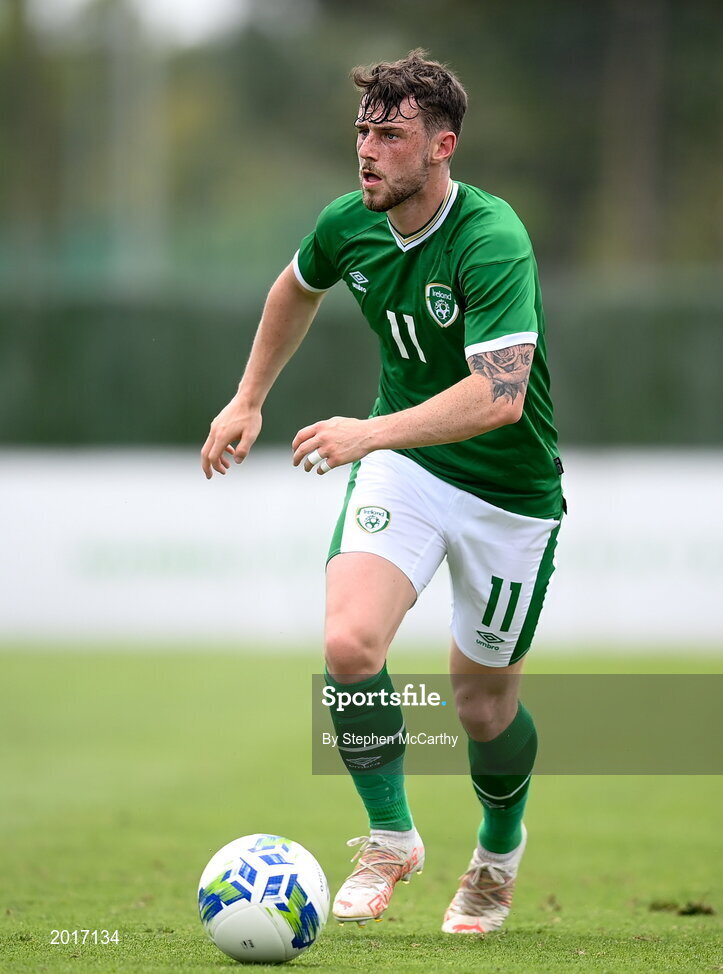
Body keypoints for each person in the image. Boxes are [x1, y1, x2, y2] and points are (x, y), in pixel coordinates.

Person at [201, 49, 564, 935]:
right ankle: (390, 837)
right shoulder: (346, 222)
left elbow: (498, 396)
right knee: (348, 642)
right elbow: (295, 287)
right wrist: (248, 397)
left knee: (481, 705)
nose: (367, 150)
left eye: (391, 135)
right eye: (362, 130)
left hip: (509, 491)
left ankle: (496, 856)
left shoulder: (490, 236)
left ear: (441, 147)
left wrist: (368, 432)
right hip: (404, 468)